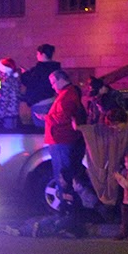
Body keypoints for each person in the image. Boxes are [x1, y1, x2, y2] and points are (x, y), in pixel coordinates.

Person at [37, 70, 87, 199]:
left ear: (61, 80)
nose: (52, 86)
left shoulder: (67, 95)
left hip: (61, 140)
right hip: (61, 140)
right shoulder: (68, 94)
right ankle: (68, 208)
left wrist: (46, 117)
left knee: (63, 176)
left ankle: (68, 210)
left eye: (53, 82)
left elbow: (64, 116)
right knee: (65, 175)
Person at [20, 43, 61, 125]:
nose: (37, 56)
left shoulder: (40, 69)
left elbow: (31, 83)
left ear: (43, 54)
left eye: (37, 53)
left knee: (41, 130)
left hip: (40, 103)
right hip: (50, 100)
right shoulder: (54, 68)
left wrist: (24, 74)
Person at [0, 57, 21, 130]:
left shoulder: (5, 82)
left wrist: (0, 115)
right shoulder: (15, 80)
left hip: (7, 114)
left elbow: (5, 100)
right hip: (14, 113)